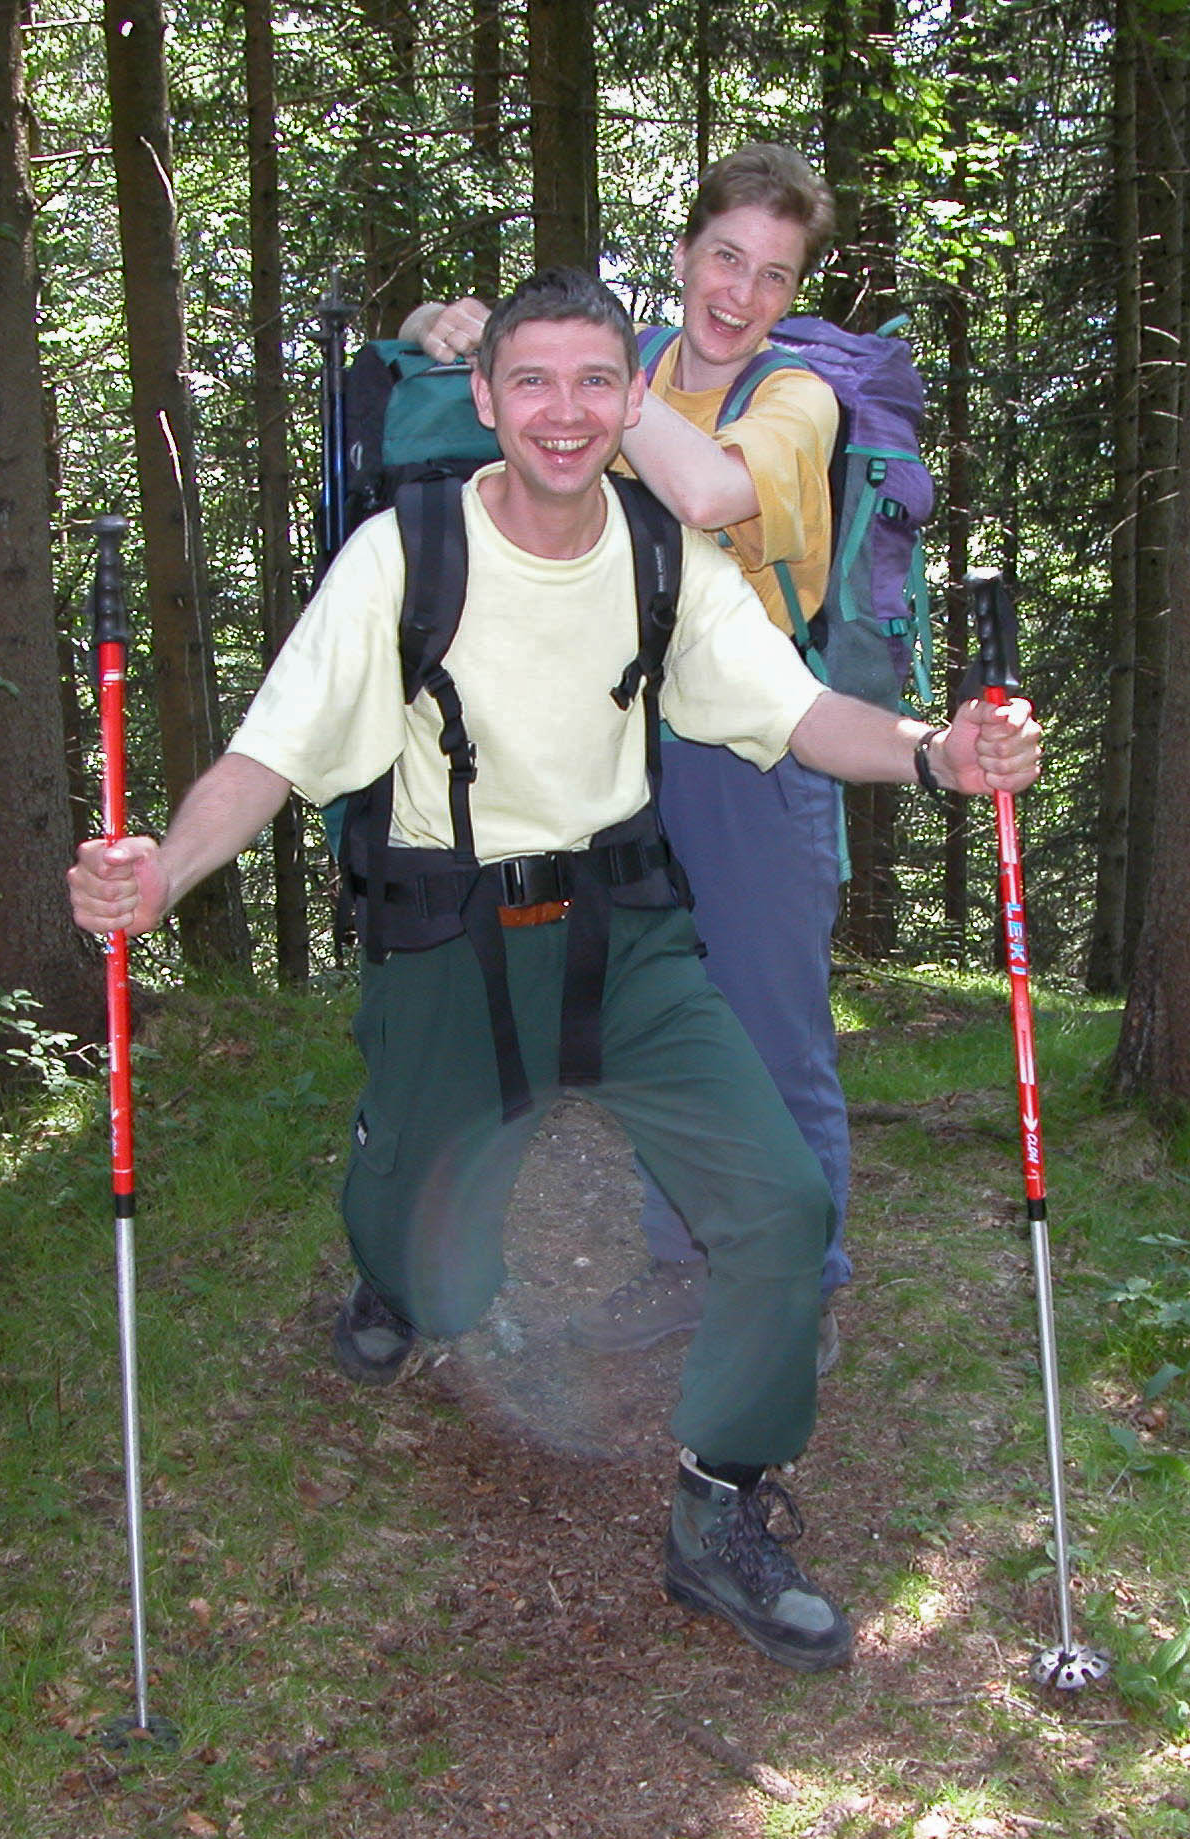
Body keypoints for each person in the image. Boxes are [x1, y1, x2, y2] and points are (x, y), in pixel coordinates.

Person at [69, 268, 1040, 1673]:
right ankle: (398, 1276)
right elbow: (268, 756)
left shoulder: (663, 554)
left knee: (777, 1206)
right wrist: (160, 873)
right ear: (485, 399)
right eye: (533, 381)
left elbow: (798, 713)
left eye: (596, 381)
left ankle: (720, 1505)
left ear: (633, 397)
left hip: (625, 935)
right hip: (442, 937)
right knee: (432, 1268)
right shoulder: (403, 556)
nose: (565, 412)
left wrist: (936, 754)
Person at [404, 145, 858, 1372]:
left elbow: (706, 494)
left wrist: (604, 388)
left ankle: (797, 1290)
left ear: (793, 292)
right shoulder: (629, 362)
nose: (740, 293)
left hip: (755, 747)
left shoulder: (796, 397)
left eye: (774, 274)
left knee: (772, 1020)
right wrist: (452, 325)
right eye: (724, 257)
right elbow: (505, 401)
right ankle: (678, 1263)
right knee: (656, 1017)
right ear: (682, 254)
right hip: (618, 734)